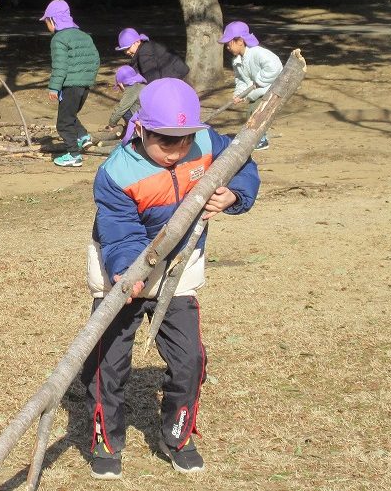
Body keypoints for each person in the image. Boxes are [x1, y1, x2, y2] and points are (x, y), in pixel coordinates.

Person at [82, 78, 260, 480]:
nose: (177, 150)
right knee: (107, 361)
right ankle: (106, 440)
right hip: (123, 270)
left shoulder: (208, 143)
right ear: (141, 129)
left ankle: (178, 436)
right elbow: (120, 232)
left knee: (189, 359)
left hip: (180, 267)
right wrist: (128, 272)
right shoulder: (116, 173)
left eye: (185, 140)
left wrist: (234, 193)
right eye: (166, 141)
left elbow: (243, 161)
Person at [41, 0, 100, 167]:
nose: (47, 25)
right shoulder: (85, 36)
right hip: (85, 85)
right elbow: (96, 60)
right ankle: (83, 136)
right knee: (70, 115)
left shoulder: (58, 39)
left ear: (53, 20)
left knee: (63, 123)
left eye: (46, 21)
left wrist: (54, 87)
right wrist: (88, 80)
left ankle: (74, 155)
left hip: (70, 86)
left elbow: (60, 66)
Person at [219, 20, 282, 151]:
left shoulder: (257, 52)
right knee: (250, 113)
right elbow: (241, 80)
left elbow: (275, 66)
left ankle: (261, 140)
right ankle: (256, 137)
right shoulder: (237, 61)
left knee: (255, 113)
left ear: (240, 41)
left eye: (229, 44)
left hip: (269, 89)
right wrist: (239, 94)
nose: (227, 47)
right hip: (256, 92)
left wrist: (259, 81)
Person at [115, 27, 189, 81]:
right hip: (175, 76)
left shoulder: (145, 54)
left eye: (128, 48)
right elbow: (136, 68)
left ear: (137, 42)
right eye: (124, 50)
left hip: (176, 78)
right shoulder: (144, 47)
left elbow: (153, 81)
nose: (127, 52)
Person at [106, 65, 146, 133]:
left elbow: (121, 109)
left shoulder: (132, 89)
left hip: (143, 121)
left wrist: (111, 124)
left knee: (125, 110)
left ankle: (134, 130)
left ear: (121, 83)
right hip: (149, 115)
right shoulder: (143, 85)